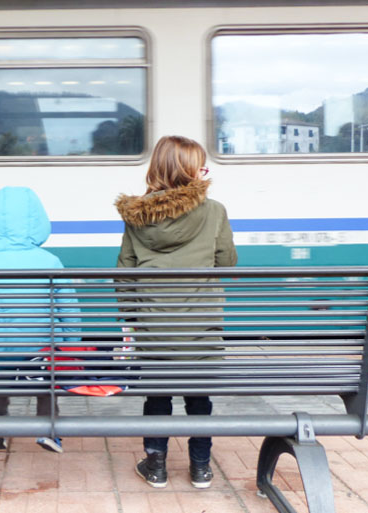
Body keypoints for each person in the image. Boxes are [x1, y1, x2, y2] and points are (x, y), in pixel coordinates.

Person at [114, 135, 237, 489]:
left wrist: (131, 320)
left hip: (156, 330)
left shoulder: (136, 216)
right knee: (199, 396)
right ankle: (201, 468)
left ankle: (156, 466)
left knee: (158, 394)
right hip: (201, 331)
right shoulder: (214, 210)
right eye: (200, 163)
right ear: (189, 171)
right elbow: (227, 263)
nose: (205, 169)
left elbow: (123, 271)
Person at [0, 186, 82, 453]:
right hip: (41, 353)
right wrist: (71, 346)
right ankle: (49, 431)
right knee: (49, 380)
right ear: (38, 221)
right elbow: (69, 310)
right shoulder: (51, 262)